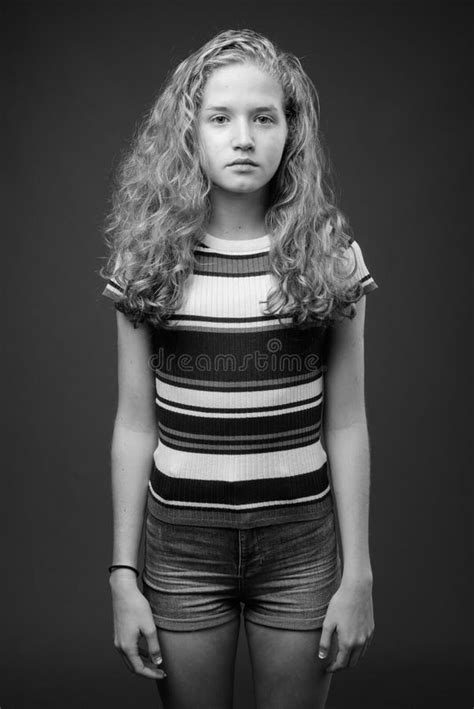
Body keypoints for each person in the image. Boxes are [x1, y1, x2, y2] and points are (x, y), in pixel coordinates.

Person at [100, 28, 377, 709]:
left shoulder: (330, 256)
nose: (244, 136)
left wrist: (359, 572)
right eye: (220, 118)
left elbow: (346, 421)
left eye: (264, 117)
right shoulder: (147, 260)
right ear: (189, 132)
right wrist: (123, 575)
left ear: (292, 130)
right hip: (182, 550)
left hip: (301, 549)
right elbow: (136, 424)